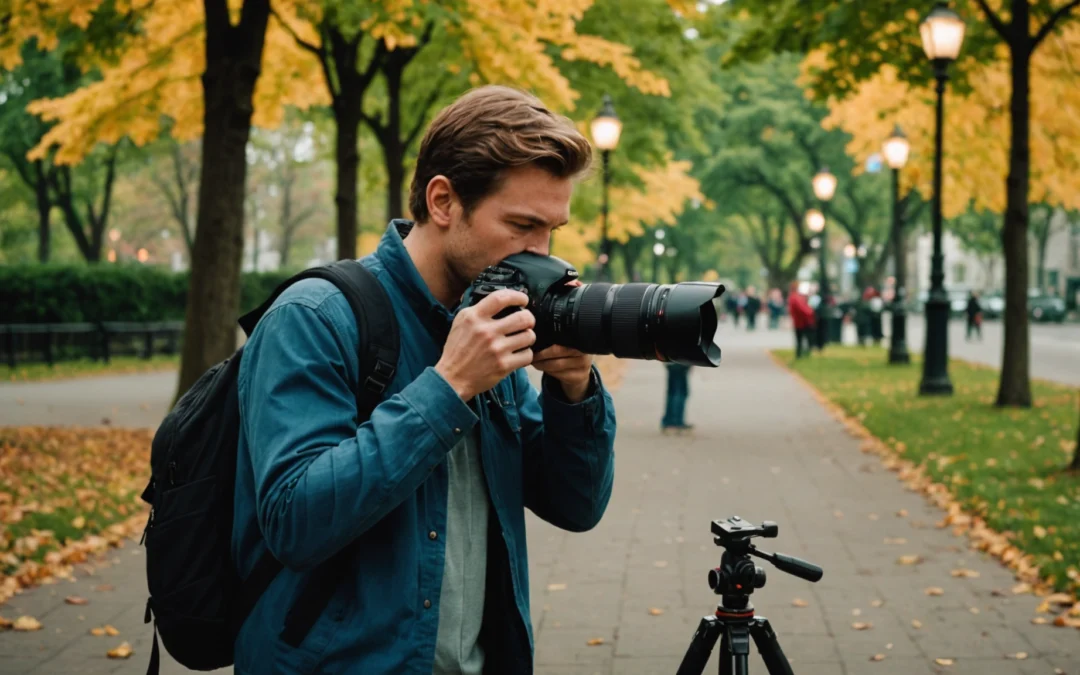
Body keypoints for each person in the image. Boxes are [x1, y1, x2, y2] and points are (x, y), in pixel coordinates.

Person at [232, 86, 617, 675]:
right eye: (520, 225)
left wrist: (575, 392)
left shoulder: (491, 316)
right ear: (443, 201)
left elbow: (574, 506)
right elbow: (293, 522)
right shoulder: (313, 318)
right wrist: (447, 386)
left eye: (552, 231)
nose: (543, 256)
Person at [661, 363, 692, 434]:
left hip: (668, 360)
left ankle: (668, 421)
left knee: (672, 391)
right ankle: (676, 422)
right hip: (681, 360)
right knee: (680, 391)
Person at [788, 281, 815, 358]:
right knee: (804, 338)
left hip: (799, 321)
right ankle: (802, 354)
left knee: (800, 339)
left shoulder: (794, 297)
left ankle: (800, 354)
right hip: (802, 322)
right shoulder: (796, 297)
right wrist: (811, 311)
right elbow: (803, 309)